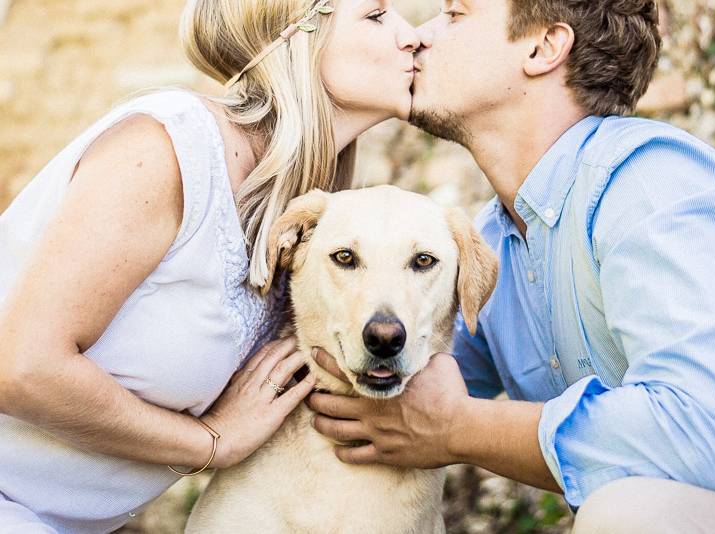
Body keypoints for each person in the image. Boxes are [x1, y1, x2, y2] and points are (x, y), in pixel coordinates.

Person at [307, 0, 715, 531]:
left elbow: (702, 433)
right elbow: (391, 386)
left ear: (543, 47)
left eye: (454, 15)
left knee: (630, 513)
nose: (418, 37)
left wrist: (460, 427)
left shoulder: (651, 185)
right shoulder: (494, 241)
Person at [0, 0, 419, 531]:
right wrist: (213, 442)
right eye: (378, 16)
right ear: (299, 36)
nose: (414, 37)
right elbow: (22, 368)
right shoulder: (167, 150)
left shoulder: (311, 216)